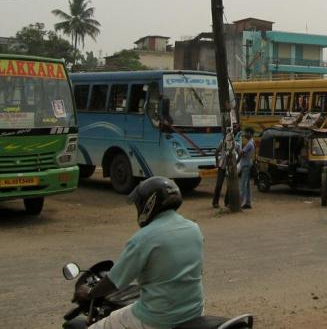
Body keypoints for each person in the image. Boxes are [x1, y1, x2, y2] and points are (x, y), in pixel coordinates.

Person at [76, 177, 204, 328]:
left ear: (148, 204)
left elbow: (115, 281)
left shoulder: (143, 238)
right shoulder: (194, 229)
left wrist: (90, 293)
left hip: (158, 318)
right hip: (194, 311)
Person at [212, 127, 236, 208]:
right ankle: (215, 202)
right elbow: (216, 151)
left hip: (230, 167)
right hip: (222, 166)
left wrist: (237, 162)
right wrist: (217, 162)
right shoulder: (222, 142)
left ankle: (227, 202)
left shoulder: (235, 144)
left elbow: (240, 153)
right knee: (219, 184)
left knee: (229, 185)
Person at [236, 128, 255, 209]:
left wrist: (236, 162)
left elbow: (241, 153)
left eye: (246, 132)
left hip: (246, 165)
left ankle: (240, 203)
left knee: (243, 184)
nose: (245, 134)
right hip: (248, 164)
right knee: (247, 185)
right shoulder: (251, 142)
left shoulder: (249, 144)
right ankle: (248, 202)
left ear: (250, 133)